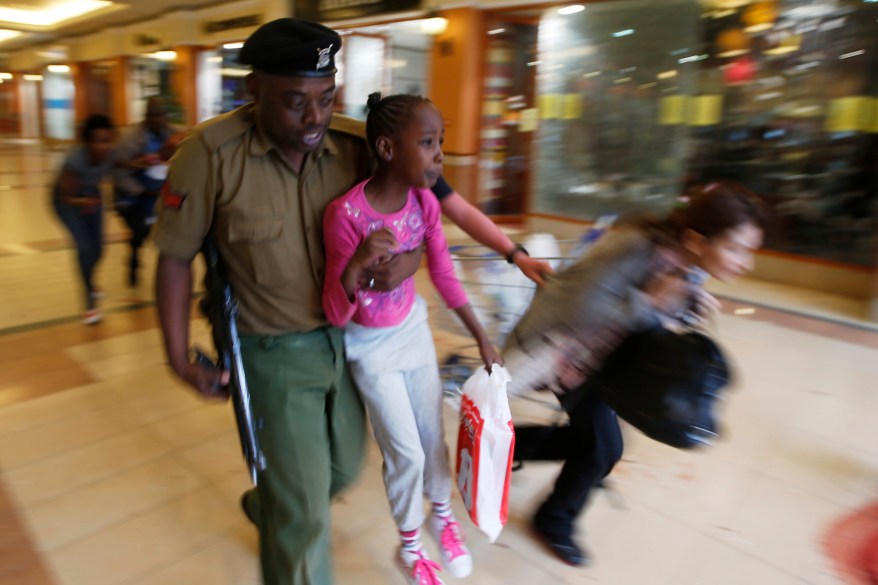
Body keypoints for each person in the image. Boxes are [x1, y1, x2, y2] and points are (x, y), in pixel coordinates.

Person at [152, 17, 548, 585]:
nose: (313, 117)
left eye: (325, 97)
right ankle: (287, 518)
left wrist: (508, 253)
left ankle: (273, 505)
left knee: (340, 470)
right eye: (294, 101)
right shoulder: (211, 155)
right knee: (307, 509)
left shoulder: (350, 144)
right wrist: (178, 357)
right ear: (253, 90)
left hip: (349, 337)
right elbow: (172, 257)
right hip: (272, 347)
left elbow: (438, 205)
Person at [501, 181, 766, 567]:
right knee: (602, 448)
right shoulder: (636, 246)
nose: (745, 262)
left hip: (599, 356)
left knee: (595, 444)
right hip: (558, 348)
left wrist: (685, 301)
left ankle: (508, 449)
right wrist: (651, 302)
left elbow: (655, 310)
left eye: (749, 251)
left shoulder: (687, 263)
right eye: (736, 248)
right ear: (695, 239)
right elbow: (581, 309)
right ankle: (552, 518)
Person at [322, 93, 502, 585]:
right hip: (369, 349)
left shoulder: (424, 201)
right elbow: (336, 312)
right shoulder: (346, 215)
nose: (439, 154)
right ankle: (409, 546)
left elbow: (443, 272)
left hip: (413, 332)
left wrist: (481, 336)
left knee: (432, 437)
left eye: (439, 142)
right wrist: (357, 265)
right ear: (385, 148)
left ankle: (442, 519)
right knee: (406, 452)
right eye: (427, 143)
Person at [52, 113, 116, 325]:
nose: (103, 146)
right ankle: (89, 304)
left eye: (107, 140)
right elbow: (65, 196)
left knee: (98, 248)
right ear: (88, 142)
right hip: (66, 201)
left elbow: (123, 164)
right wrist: (83, 203)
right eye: (98, 141)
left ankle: (90, 280)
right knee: (84, 248)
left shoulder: (109, 154)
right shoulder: (75, 160)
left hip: (91, 196)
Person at [113, 96, 180, 288]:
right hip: (134, 194)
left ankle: (169, 276)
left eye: (161, 115)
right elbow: (119, 171)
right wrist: (140, 187)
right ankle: (133, 255)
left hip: (160, 192)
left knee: (169, 234)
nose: (158, 119)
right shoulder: (130, 138)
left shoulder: (174, 134)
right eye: (153, 115)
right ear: (146, 117)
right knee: (140, 230)